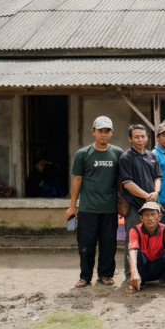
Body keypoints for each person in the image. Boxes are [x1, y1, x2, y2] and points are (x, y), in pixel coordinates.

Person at [66, 116, 123, 288]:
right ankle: (85, 276)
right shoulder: (83, 154)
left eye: (107, 131)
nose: (104, 135)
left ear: (111, 132)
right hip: (87, 209)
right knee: (86, 244)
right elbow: (77, 180)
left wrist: (122, 200)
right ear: (93, 132)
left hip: (109, 208)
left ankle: (105, 275)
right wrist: (72, 206)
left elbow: (120, 179)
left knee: (108, 244)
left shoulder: (117, 153)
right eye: (100, 131)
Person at [119, 124, 162, 277]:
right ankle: (130, 274)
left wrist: (156, 192)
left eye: (143, 136)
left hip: (151, 206)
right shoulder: (126, 158)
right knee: (133, 240)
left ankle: (147, 273)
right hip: (134, 207)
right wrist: (147, 196)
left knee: (151, 240)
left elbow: (157, 177)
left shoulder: (152, 156)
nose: (140, 140)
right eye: (136, 137)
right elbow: (128, 184)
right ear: (130, 138)